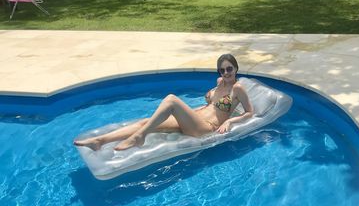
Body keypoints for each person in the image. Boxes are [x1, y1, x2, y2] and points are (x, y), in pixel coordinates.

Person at [74, 54, 253, 151]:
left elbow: (249, 112)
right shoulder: (219, 83)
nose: (226, 73)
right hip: (196, 118)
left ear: (236, 68)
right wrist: (201, 108)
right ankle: (100, 140)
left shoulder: (238, 89)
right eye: (222, 70)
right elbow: (213, 105)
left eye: (229, 69)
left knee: (171, 99)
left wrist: (229, 120)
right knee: (145, 122)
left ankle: (139, 137)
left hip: (206, 128)